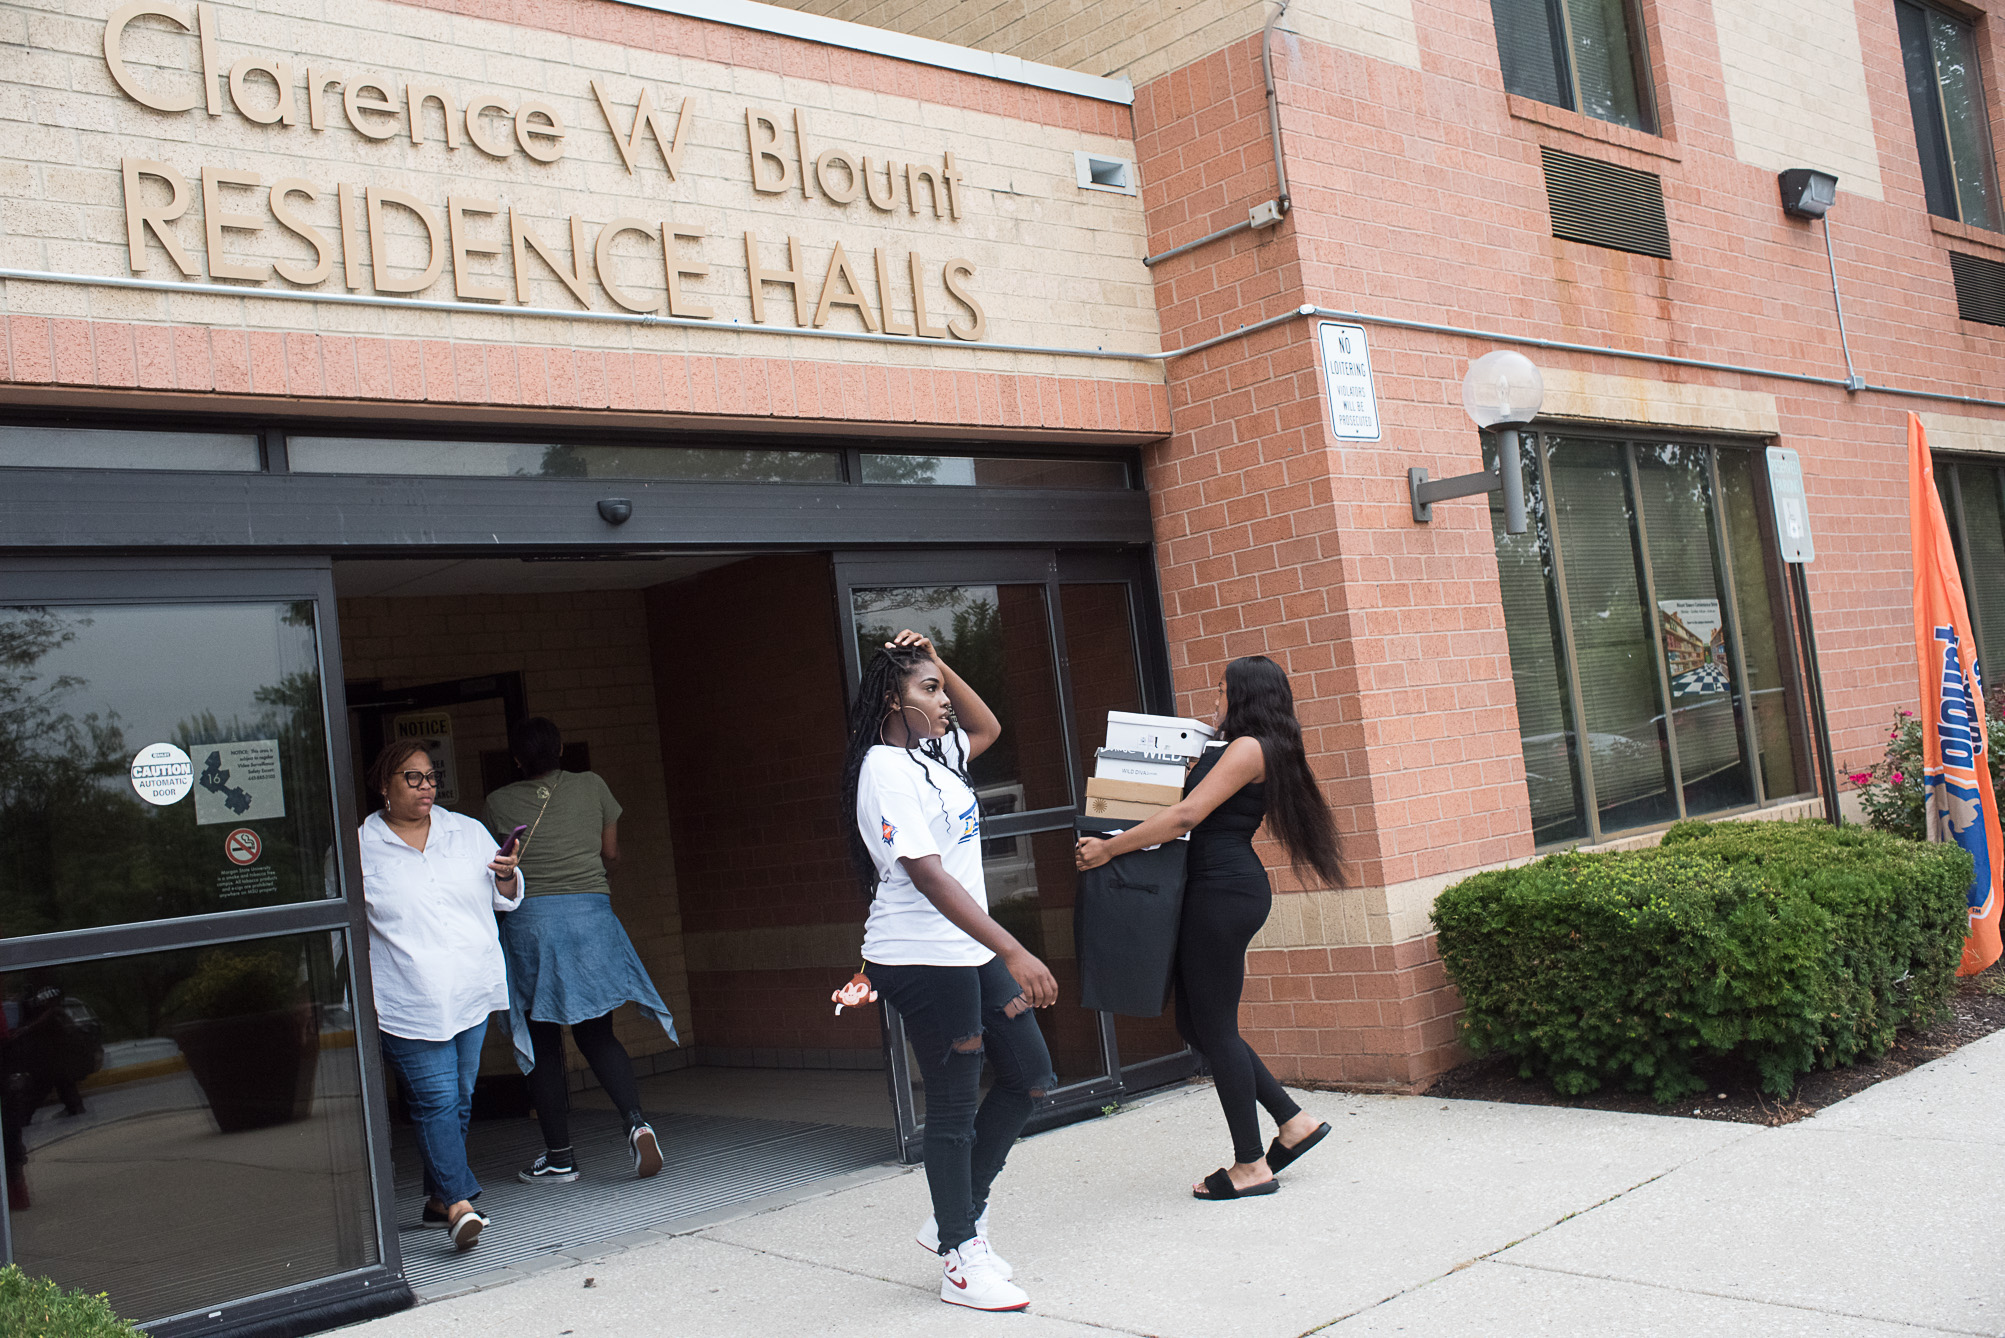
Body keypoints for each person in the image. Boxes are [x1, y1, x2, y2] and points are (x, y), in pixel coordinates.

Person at [841, 630, 1058, 1313]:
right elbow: (930, 878)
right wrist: (1015, 949)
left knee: (1028, 1076)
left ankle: (952, 1215)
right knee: (956, 1105)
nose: (944, 704)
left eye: (940, 690)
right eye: (927, 691)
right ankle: (959, 1259)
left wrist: (938, 661)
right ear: (888, 698)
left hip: (964, 948)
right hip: (917, 955)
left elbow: (987, 724)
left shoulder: (936, 754)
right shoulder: (883, 770)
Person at [1075, 655, 1341, 1201]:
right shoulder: (1248, 746)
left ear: (1242, 695)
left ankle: (1250, 1165)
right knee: (1199, 1026)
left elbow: (1185, 817)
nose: (1212, 701)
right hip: (1220, 891)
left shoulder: (1247, 748)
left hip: (1223, 894)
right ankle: (1292, 1123)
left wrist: (1108, 849)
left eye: (1219, 691)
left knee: (1214, 1027)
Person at [484, 718, 676, 1187]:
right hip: (592, 920)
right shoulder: (592, 785)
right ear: (561, 748)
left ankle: (560, 1158)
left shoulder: (496, 802)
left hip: (531, 928)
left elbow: (500, 866)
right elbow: (611, 853)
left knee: (543, 1043)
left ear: (516, 760)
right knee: (597, 1035)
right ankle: (636, 1123)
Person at [359, 739, 523, 1251]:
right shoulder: (358, 849)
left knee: (460, 1099)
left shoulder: (467, 832)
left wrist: (509, 876)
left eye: (431, 777)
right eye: (412, 777)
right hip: (407, 997)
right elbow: (341, 929)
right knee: (435, 1100)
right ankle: (459, 1203)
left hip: (470, 988)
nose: (426, 786)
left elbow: (507, 901)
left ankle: (436, 1200)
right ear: (384, 786)